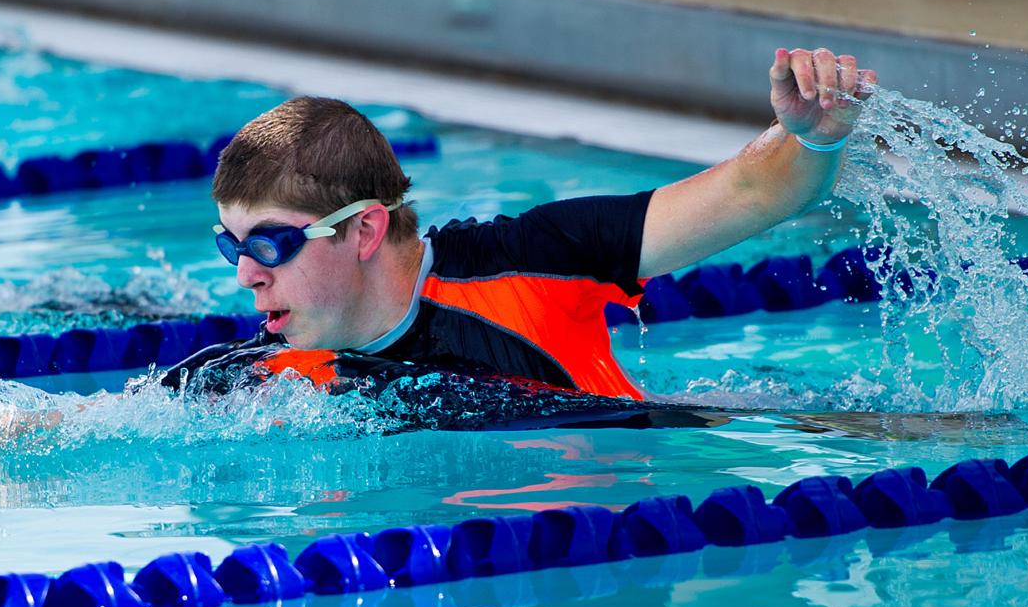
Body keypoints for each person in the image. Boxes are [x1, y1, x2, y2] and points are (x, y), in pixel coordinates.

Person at [177, 47, 874, 399]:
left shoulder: (537, 258)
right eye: (230, 244)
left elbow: (754, 192)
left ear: (363, 231)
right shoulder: (263, 376)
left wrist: (811, 136)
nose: (244, 273)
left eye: (270, 241)